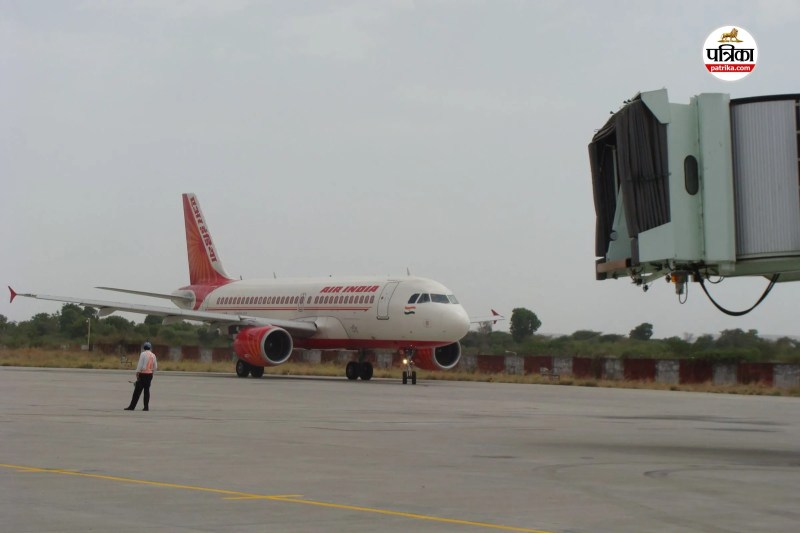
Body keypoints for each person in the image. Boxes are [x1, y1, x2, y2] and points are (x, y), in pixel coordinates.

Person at [124, 341, 158, 411]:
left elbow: (140, 364)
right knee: (146, 391)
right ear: (150, 347)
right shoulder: (153, 355)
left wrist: (137, 372)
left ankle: (132, 406)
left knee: (137, 392)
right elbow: (155, 366)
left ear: (144, 347)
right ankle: (146, 407)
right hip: (149, 375)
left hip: (143, 374)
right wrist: (152, 373)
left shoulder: (143, 354)